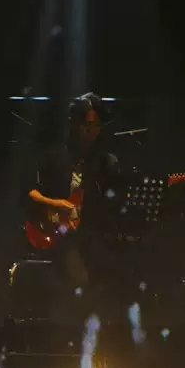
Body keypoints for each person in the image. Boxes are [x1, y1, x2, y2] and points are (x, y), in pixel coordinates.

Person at [26, 95, 121, 296]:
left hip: (87, 236)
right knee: (80, 278)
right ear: (73, 123)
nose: (91, 132)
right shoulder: (53, 156)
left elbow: (111, 202)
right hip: (54, 235)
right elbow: (27, 191)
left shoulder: (104, 162)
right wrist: (53, 203)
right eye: (87, 125)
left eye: (96, 126)